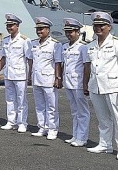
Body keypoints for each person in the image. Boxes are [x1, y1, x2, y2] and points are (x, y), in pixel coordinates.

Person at [83, 11, 118, 158]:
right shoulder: (90, 46)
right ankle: (105, 144)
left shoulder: (115, 43)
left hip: (112, 85)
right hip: (95, 85)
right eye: (96, 26)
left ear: (109, 27)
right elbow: (88, 67)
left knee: (117, 117)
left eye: (102, 25)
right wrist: (85, 84)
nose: (98, 28)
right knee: (102, 117)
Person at [26, 17, 63, 140]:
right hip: (37, 78)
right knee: (39, 105)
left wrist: (58, 78)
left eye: (41, 29)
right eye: (38, 29)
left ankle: (52, 129)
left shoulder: (55, 44)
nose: (39, 31)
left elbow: (58, 62)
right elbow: (31, 61)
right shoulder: (33, 43)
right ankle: (42, 127)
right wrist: (29, 75)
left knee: (52, 106)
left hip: (49, 79)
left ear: (48, 30)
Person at [0, 13, 30, 133]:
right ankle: (11, 121)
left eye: (11, 25)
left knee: (21, 100)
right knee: (10, 99)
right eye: (8, 25)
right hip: (8, 74)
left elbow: (29, 58)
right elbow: (3, 58)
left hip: (20, 74)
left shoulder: (24, 40)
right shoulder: (6, 40)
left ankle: (22, 123)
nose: (9, 28)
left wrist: (30, 73)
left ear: (17, 26)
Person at [61, 18, 89, 147]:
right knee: (74, 111)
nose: (68, 34)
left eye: (71, 32)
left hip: (78, 83)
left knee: (82, 112)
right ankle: (75, 135)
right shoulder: (65, 46)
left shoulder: (83, 47)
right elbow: (64, 65)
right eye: (66, 32)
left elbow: (86, 66)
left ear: (78, 32)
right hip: (69, 83)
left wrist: (85, 84)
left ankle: (82, 138)